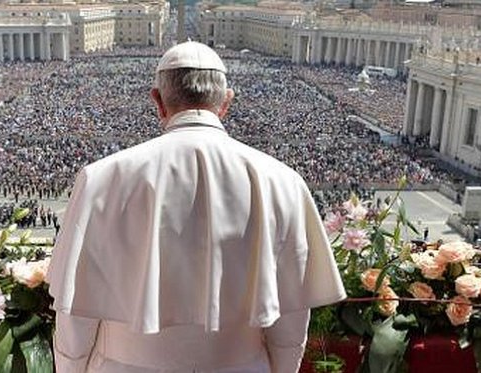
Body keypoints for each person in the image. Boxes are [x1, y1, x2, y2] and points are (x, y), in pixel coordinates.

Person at [47, 41, 346, 373]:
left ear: (158, 101)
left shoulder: (101, 178)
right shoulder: (283, 181)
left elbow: (76, 315)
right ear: (226, 103)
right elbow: (290, 317)